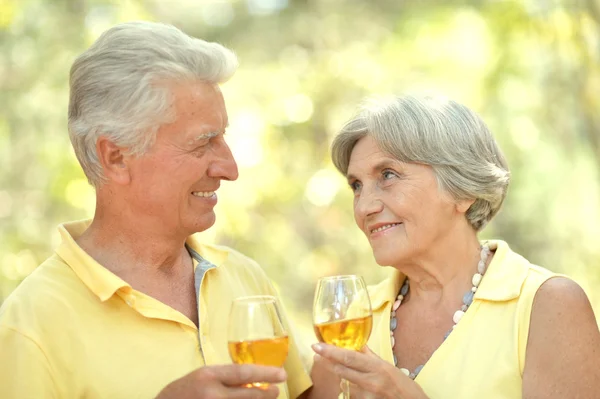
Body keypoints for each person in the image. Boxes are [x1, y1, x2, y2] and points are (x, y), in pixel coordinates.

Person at [0, 21, 313, 399]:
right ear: (116, 157)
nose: (229, 169)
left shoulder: (245, 278)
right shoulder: (31, 324)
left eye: (223, 138)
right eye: (203, 143)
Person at [310, 95, 600, 398]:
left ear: (463, 191)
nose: (364, 207)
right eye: (356, 186)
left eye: (388, 175)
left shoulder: (547, 305)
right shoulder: (354, 316)